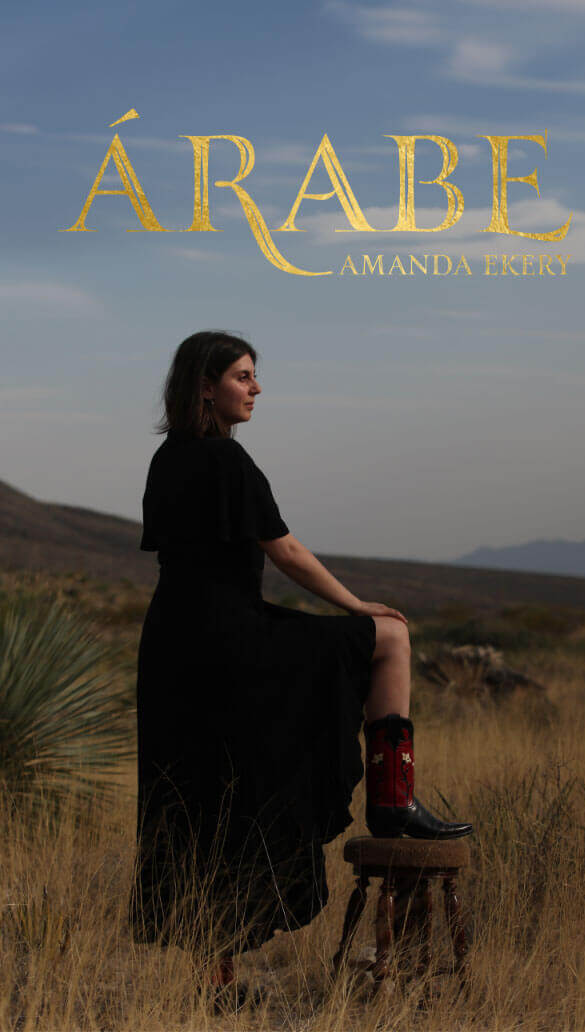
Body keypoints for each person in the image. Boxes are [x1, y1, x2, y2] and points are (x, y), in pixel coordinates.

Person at [130, 330, 471, 999]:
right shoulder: (228, 460)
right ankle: (393, 802)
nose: (256, 388)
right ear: (206, 386)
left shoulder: (166, 460)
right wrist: (356, 604)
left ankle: (216, 979)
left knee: (205, 797)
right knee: (389, 637)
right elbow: (285, 552)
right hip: (229, 639)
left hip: (172, 648)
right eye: (243, 376)